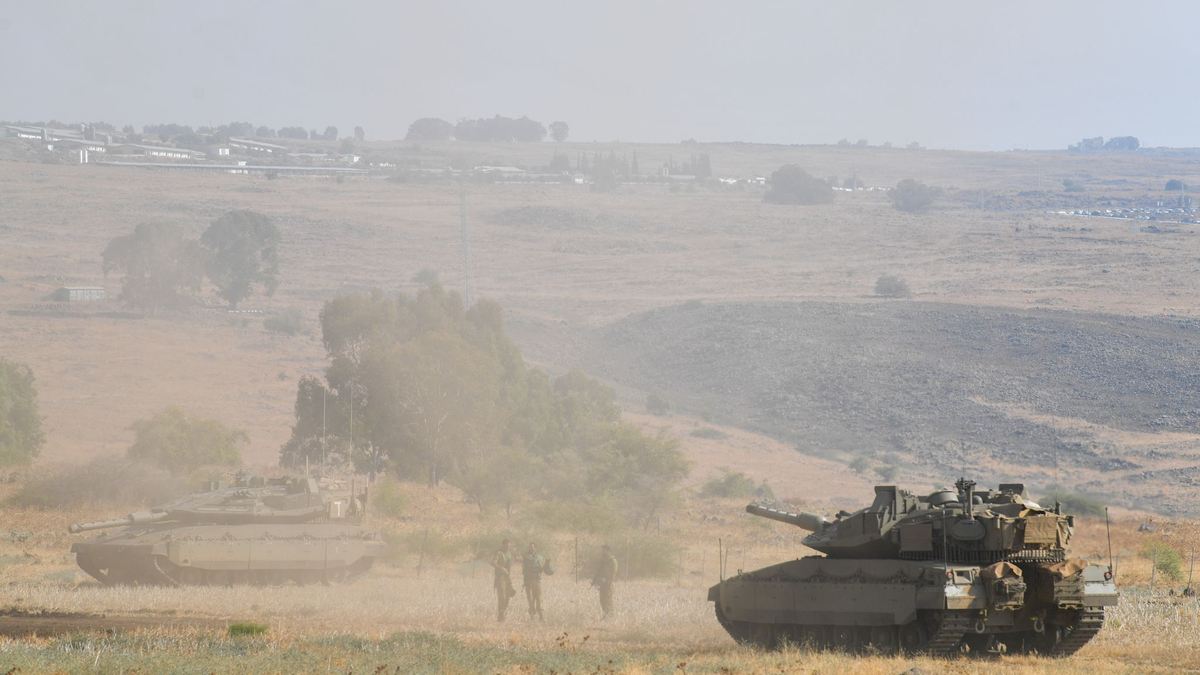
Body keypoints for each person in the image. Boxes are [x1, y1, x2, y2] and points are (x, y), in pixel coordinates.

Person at [520, 541, 552, 620]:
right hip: (529, 580)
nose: (530, 548)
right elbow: (524, 568)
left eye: (532, 547)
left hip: (537, 580)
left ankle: (541, 615)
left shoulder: (539, 557)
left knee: (539, 598)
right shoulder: (526, 557)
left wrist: (546, 563)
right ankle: (532, 616)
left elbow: (541, 569)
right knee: (530, 599)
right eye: (529, 547)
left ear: (535, 548)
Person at [491, 539, 516, 622]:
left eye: (509, 545)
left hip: (507, 577)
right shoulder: (498, 553)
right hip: (500, 577)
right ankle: (501, 613)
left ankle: (502, 611)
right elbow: (493, 563)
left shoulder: (509, 554)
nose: (508, 547)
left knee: (508, 596)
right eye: (506, 545)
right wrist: (501, 568)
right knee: (502, 596)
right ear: (503, 545)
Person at [592, 543, 618, 618]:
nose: (602, 552)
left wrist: (610, 582)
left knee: (608, 600)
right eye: (602, 550)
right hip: (603, 583)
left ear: (608, 551)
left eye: (604, 550)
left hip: (608, 583)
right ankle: (605, 615)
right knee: (602, 600)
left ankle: (610, 616)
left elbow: (614, 572)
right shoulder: (603, 559)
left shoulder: (613, 560)